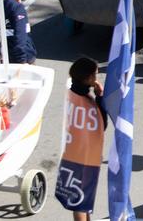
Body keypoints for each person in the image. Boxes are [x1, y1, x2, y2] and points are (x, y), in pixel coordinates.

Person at [57, 57, 106, 221]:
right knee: (80, 198)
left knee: (75, 194)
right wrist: (100, 97)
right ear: (88, 78)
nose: (97, 78)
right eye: (95, 75)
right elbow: (101, 125)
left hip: (70, 151)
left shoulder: (70, 93)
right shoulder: (87, 103)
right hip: (85, 156)